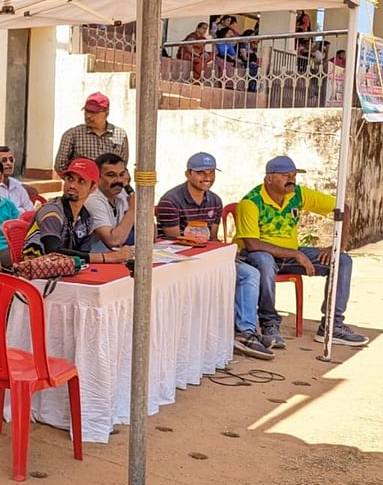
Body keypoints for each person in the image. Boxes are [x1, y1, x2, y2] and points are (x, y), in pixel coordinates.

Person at [235, 156, 368, 347]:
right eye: (285, 175)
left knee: (342, 260)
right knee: (264, 261)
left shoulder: (298, 194)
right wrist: (296, 254)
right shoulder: (251, 202)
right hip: (257, 255)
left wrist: (337, 245)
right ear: (269, 178)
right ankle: (269, 324)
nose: (291, 179)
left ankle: (332, 325)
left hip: (289, 254)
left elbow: (343, 209)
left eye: (293, 175)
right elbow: (253, 244)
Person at [156, 152, 272, 360]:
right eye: (201, 173)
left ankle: (246, 331)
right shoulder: (170, 200)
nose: (206, 177)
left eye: (210, 172)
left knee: (249, 273)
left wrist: (224, 255)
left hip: (205, 257)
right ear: (188, 174)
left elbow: (212, 237)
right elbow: (171, 237)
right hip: (176, 260)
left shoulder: (215, 200)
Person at [22, 159, 132, 264]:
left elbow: (83, 254)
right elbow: (53, 252)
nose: (72, 185)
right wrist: (106, 257)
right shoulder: (52, 212)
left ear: (93, 187)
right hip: (38, 277)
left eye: (81, 181)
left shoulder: (87, 219)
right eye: (70, 179)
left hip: (66, 274)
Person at [52, 92, 130, 175]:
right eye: (87, 111)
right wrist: (77, 182)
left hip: (109, 186)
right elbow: (60, 166)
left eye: (93, 112)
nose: (88, 116)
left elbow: (122, 165)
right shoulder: (72, 135)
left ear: (106, 113)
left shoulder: (120, 135)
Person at [83, 153, 136, 252]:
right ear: (97, 177)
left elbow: (149, 235)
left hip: (115, 256)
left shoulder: (122, 194)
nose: (119, 180)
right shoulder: (93, 200)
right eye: (111, 175)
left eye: (121, 174)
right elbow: (114, 241)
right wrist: (133, 209)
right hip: (95, 260)